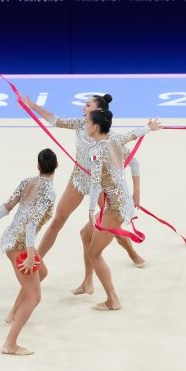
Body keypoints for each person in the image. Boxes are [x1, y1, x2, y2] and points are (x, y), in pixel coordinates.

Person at [23, 93, 161, 293]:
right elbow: (55, 120)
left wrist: (136, 192)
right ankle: (37, 265)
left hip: (101, 185)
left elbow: (134, 163)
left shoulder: (110, 138)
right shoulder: (81, 125)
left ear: (98, 112)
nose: (83, 108)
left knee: (111, 228)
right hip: (79, 179)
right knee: (58, 221)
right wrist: (33, 106)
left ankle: (132, 253)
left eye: (87, 105)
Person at [0, 149, 57, 355]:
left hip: (12, 238)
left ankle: (12, 313)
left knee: (42, 273)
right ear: (56, 167)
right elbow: (31, 224)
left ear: (38, 167)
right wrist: (29, 255)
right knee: (34, 297)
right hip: (20, 245)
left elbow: (5, 207)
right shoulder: (50, 193)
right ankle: (10, 343)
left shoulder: (27, 181)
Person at [84, 108, 141, 311]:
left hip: (115, 206)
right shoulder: (115, 140)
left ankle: (112, 299)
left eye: (88, 122)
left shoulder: (96, 151)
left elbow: (96, 182)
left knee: (94, 254)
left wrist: (91, 210)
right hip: (123, 202)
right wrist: (148, 128)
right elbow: (132, 135)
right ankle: (102, 289)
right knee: (89, 240)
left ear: (96, 126)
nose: (85, 125)